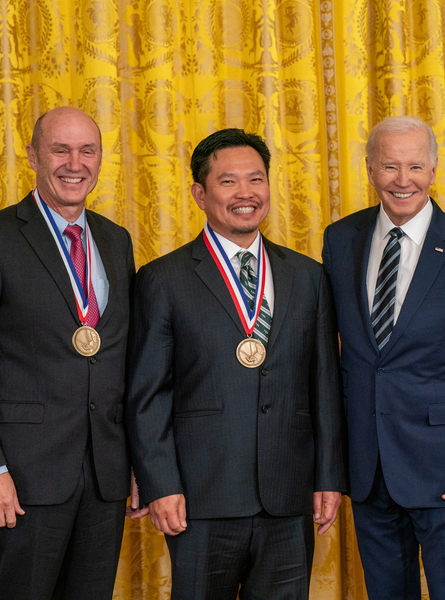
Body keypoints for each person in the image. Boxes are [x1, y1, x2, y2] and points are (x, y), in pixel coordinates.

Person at [125, 128, 347, 599]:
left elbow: (324, 384)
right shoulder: (162, 279)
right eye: (228, 182)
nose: (246, 194)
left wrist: (328, 475)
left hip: (287, 496)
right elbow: (147, 394)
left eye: (257, 179)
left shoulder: (308, 276)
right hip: (200, 497)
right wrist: (160, 483)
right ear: (200, 194)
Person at [0, 106, 144, 600]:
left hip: (103, 479)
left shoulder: (116, 241)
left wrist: (139, 462)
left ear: (100, 158)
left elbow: (123, 362)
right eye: (60, 149)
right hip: (21, 480)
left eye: (87, 150)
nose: (75, 163)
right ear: (33, 155)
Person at [321, 116, 445, 599]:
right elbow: (330, 358)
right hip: (368, 466)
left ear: (433, 170)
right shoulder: (340, 239)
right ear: (370, 169)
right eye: (390, 166)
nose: (402, 180)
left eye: (414, 166)